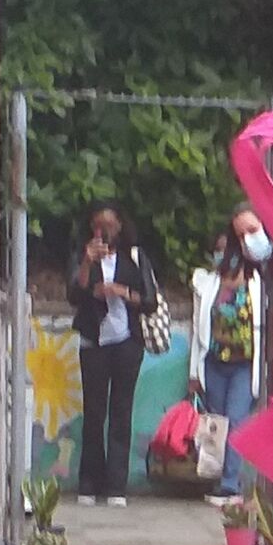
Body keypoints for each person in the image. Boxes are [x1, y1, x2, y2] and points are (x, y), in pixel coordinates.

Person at [70, 204, 155, 504]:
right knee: (94, 413)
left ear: (121, 227)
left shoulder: (134, 257)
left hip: (127, 342)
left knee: (121, 411)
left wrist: (122, 292)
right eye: (98, 225)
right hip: (94, 341)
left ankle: (116, 486)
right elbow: (73, 295)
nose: (104, 232)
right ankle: (89, 483)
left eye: (110, 226)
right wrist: (86, 263)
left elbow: (150, 301)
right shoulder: (83, 256)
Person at [197, 209, 267, 499]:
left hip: (244, 364)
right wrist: (194, 371)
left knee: (237, 420)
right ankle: (214, 477)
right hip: (214, 362)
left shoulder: (259, 281)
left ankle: (230, 483)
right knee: (217, 423)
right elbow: (199, 326)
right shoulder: (208, 282)